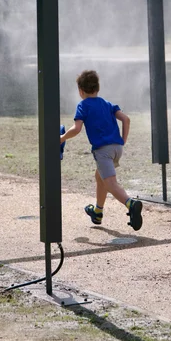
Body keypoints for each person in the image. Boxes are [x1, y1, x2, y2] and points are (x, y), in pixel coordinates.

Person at [60, 69, 143, 231]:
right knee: (100, 177)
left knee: (111, 183)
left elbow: (77, 129)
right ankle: (97, 211)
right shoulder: (107, 104)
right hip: (117, 149)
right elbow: (126, 119)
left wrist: (61, 138)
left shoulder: (83, 105)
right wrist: (122, 141)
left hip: (103, 151)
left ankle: (131, 204)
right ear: (97, 88)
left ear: (81, 91)